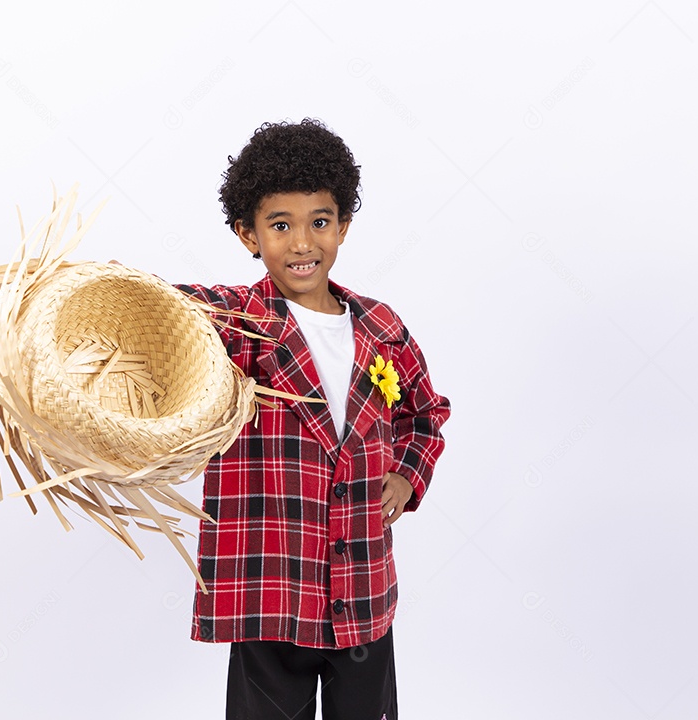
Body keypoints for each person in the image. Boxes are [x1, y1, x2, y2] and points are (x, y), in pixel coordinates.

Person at [175, 118, 450, 720]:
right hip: (271, 584)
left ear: (343, 226)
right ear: (248, 234)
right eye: (280, 226)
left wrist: (407, 475)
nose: (302, 243)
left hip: (361, 587)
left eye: (319, 222)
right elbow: (168, 309)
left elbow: (425, 413)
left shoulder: (381, 326)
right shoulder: (239, 322)